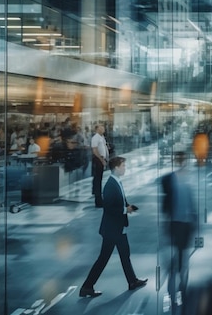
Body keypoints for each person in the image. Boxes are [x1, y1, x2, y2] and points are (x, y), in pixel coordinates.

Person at [80, 156, 147, 298]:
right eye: (123, 166)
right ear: (116, 167)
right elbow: (108, 208)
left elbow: (121, 200)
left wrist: (128, 206)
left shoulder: (116, 182)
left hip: (117, 228)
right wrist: (125, 210)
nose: (125, 168)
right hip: (112, 230)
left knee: (124, 255)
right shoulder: (110, 185)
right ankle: (87, 287)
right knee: (104, 258)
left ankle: (132, 281)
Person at [162, 152, 197, 311]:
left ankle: (180, 275)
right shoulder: (173, 179)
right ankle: (180, 275)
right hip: (178, 221)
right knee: (180, 251)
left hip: (181, 222)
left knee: (180, 251)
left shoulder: (178, 179)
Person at [91, 124, 109, 207]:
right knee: (97, 179)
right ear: (97, 129)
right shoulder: (95, 138)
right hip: (98, 159)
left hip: (102, 159)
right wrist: (101, 160)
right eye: (102, 128)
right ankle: (98, 200)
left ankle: (99, 198)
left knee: (100, 179)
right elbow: (95, 150)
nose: (103, 130)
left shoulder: (102, 137)